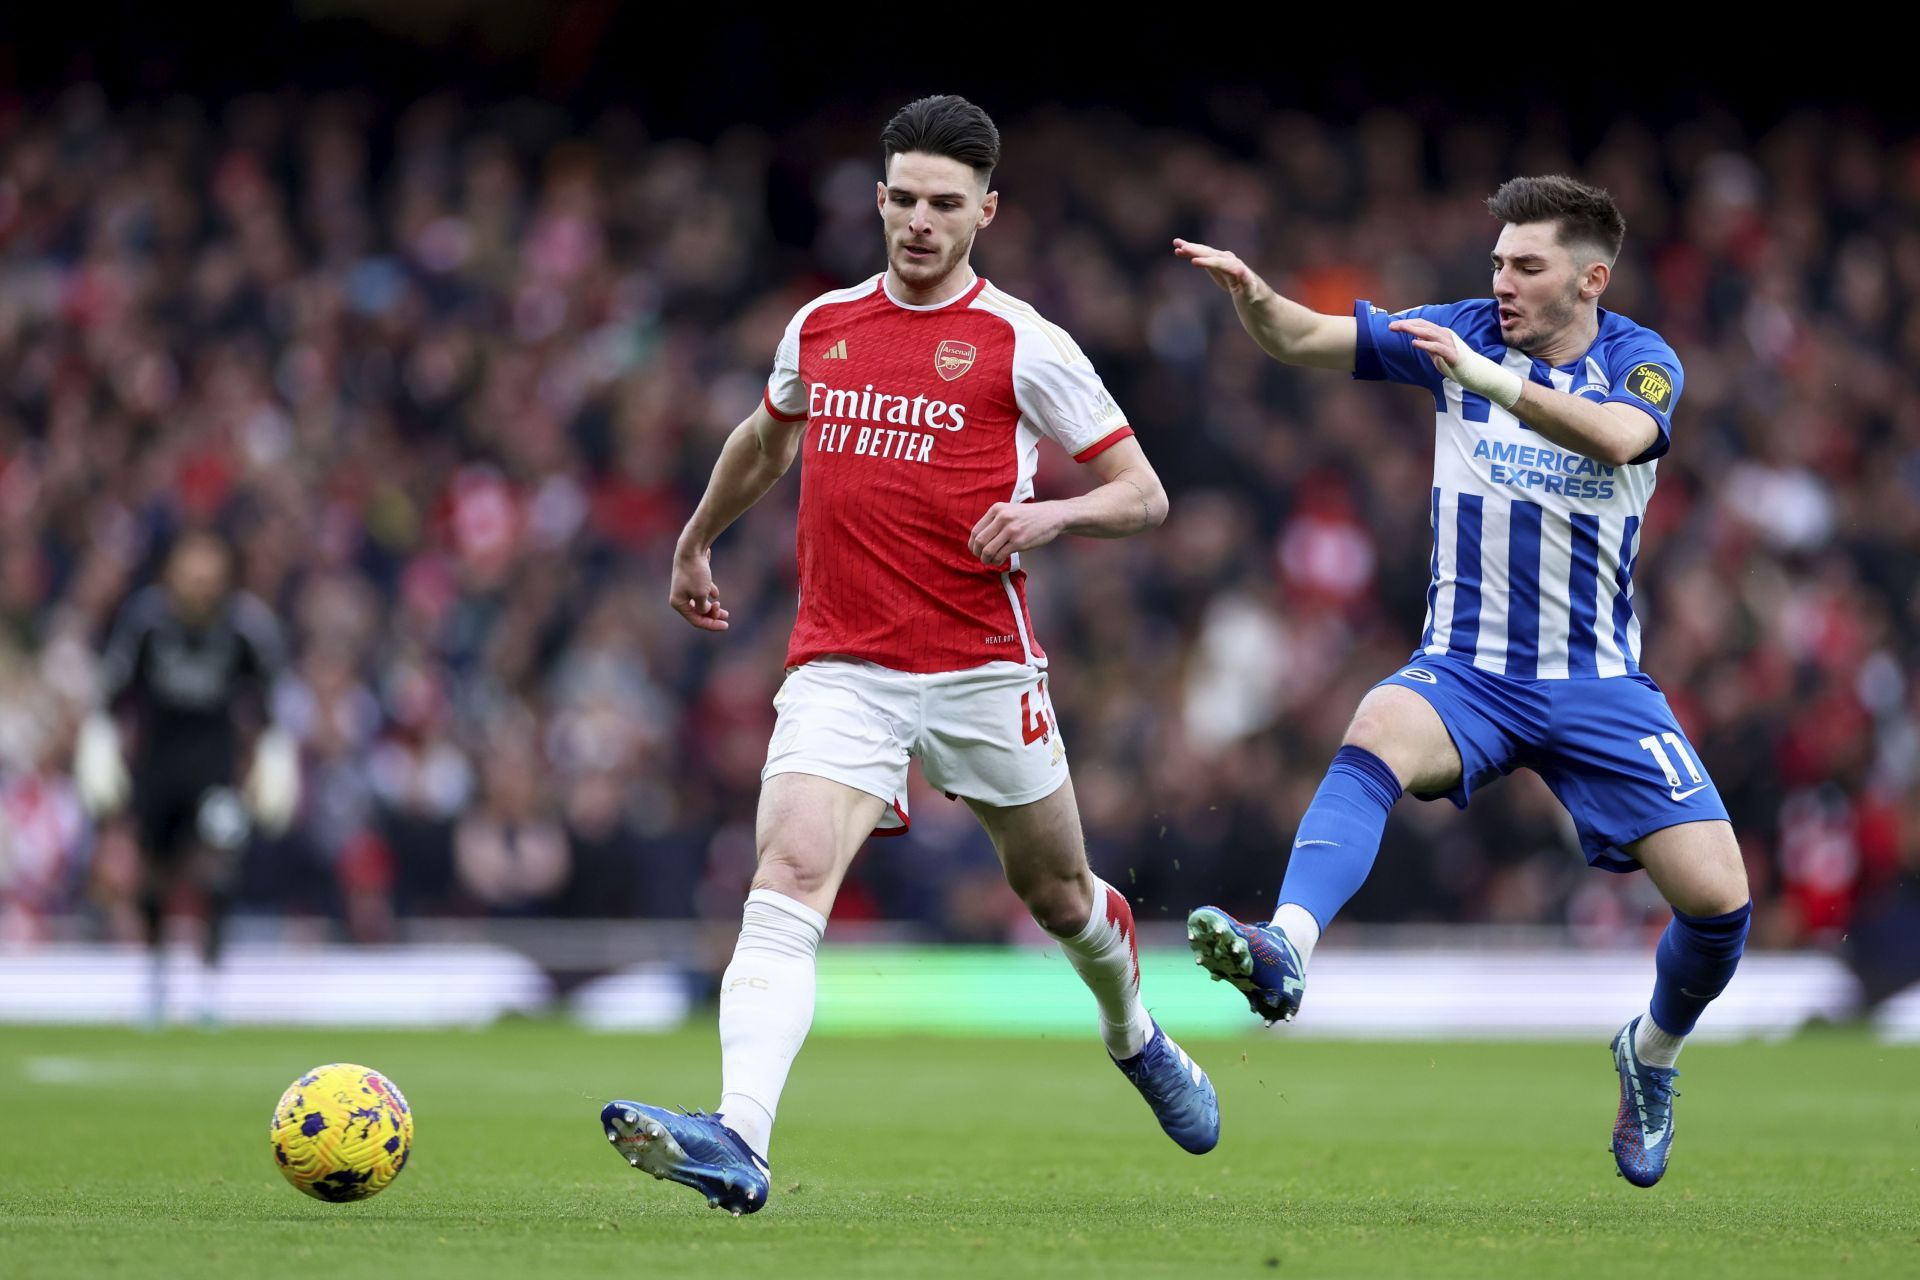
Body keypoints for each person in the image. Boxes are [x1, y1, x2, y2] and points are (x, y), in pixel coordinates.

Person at [599, 94, 1216, 1216]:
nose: (921, 222)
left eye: (946, 203)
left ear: (986, 209)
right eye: (904, 199)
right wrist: (696, 538)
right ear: (878, 201)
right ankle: (740, 1133)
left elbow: (1146, 494)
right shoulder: (821, 326)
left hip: (983, 665)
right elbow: (764, 437)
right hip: (842, 664)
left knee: (1059, 891)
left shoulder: (1024, 341)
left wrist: (1049, 517)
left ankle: (1134, 1031)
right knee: (786, 875)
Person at [1175, 175, 1751, 1189]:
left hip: (1598, 682)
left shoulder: (1642, 361)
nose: (1503, 282)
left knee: (1720, 904)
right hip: (1469, 671)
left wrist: (1491, 381)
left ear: (1591, 279)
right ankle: (1286, 946)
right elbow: (1307, 339)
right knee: (1376, 725)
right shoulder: (1461, 328)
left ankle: (1650, 1054)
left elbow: (1621, 437)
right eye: (1498, 262)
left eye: (1527, 266)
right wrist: (1254, 299)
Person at [74, 528, 300, 1025]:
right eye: (191, 565)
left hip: (216, 771)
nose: (200, 578)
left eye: (210, 567)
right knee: (153, 877)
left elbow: (268, 703)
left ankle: (209, 987)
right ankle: (155, 981)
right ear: (171, 570)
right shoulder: (146, 623)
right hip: (156, 770)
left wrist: (274, 755)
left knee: (217, 872)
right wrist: (100, 743)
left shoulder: (245, 627)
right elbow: (114, 692)